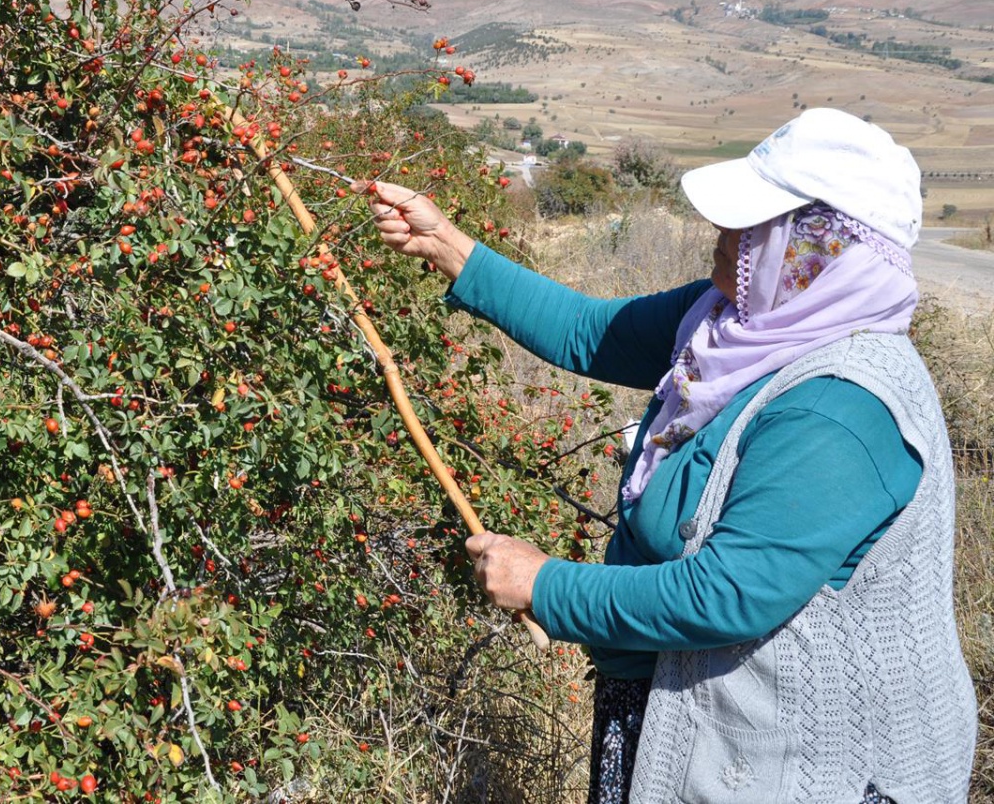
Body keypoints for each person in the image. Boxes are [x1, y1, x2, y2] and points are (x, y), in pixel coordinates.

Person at [356, 108, 976, 804]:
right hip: (686, 719)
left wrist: (547, 586)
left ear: (814, 249)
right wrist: (448, 247)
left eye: (748, 226)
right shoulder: (733, 322)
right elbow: (592, 331)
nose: (721, 236)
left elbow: (729, 593)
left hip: (799, 766)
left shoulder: (837, 406)